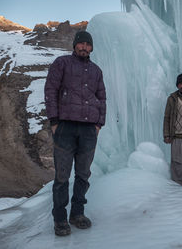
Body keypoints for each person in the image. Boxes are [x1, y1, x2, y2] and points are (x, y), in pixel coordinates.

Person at [44, 30, 106, 236]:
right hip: (65, 127)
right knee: (62, 175)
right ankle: (60, 218)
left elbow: (101, 98)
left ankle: (77, 213)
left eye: (88, 45)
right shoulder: (62, 63)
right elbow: (50, 90)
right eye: (81, 44)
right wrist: (54, 121)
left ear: (91, 48)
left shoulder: (97, 71)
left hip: (89, 128)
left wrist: (99, 124)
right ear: (74, 45)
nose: (84, 47)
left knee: (83, 174)